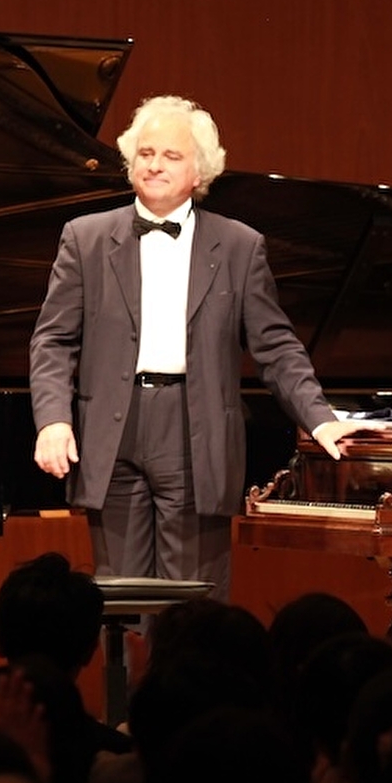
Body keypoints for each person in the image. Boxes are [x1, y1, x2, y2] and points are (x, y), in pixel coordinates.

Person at [29, 94, 372, 601]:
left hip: (195, 431)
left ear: (200, 171)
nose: (155, 165)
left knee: (192, 602)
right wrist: (53, 419)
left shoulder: (239, 246)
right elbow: (53, 338)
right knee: (119, 599)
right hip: (112, 431)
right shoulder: (85, 238)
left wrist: (319, 417)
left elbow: (275, 346)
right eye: (146, 153)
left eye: (171, 155)